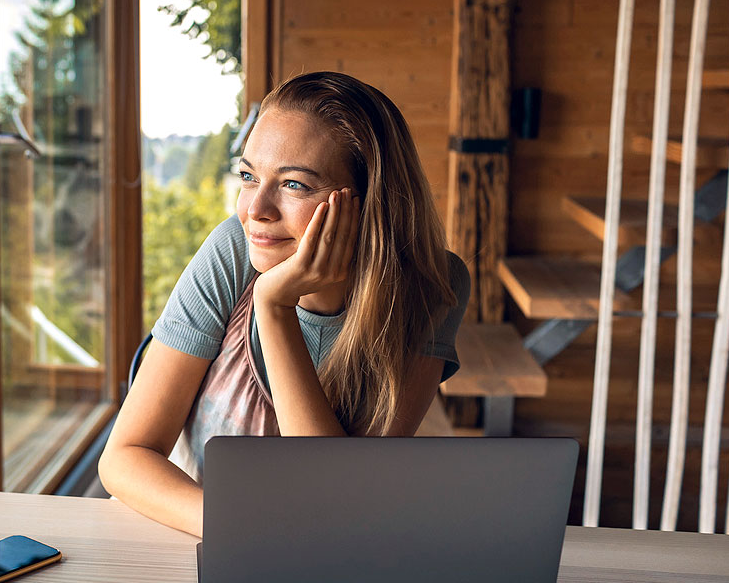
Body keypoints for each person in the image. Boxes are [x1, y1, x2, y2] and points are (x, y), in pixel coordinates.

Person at [98, 71, 470, 537]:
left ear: (371, 200)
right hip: (201, 540)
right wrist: (248, 530)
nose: (256, 209)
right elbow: (125, 456)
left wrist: (273, 307)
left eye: (294, 184)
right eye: (249, 176)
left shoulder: (431, 285)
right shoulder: (233, 249)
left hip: (329, 560)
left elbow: (338, 500)